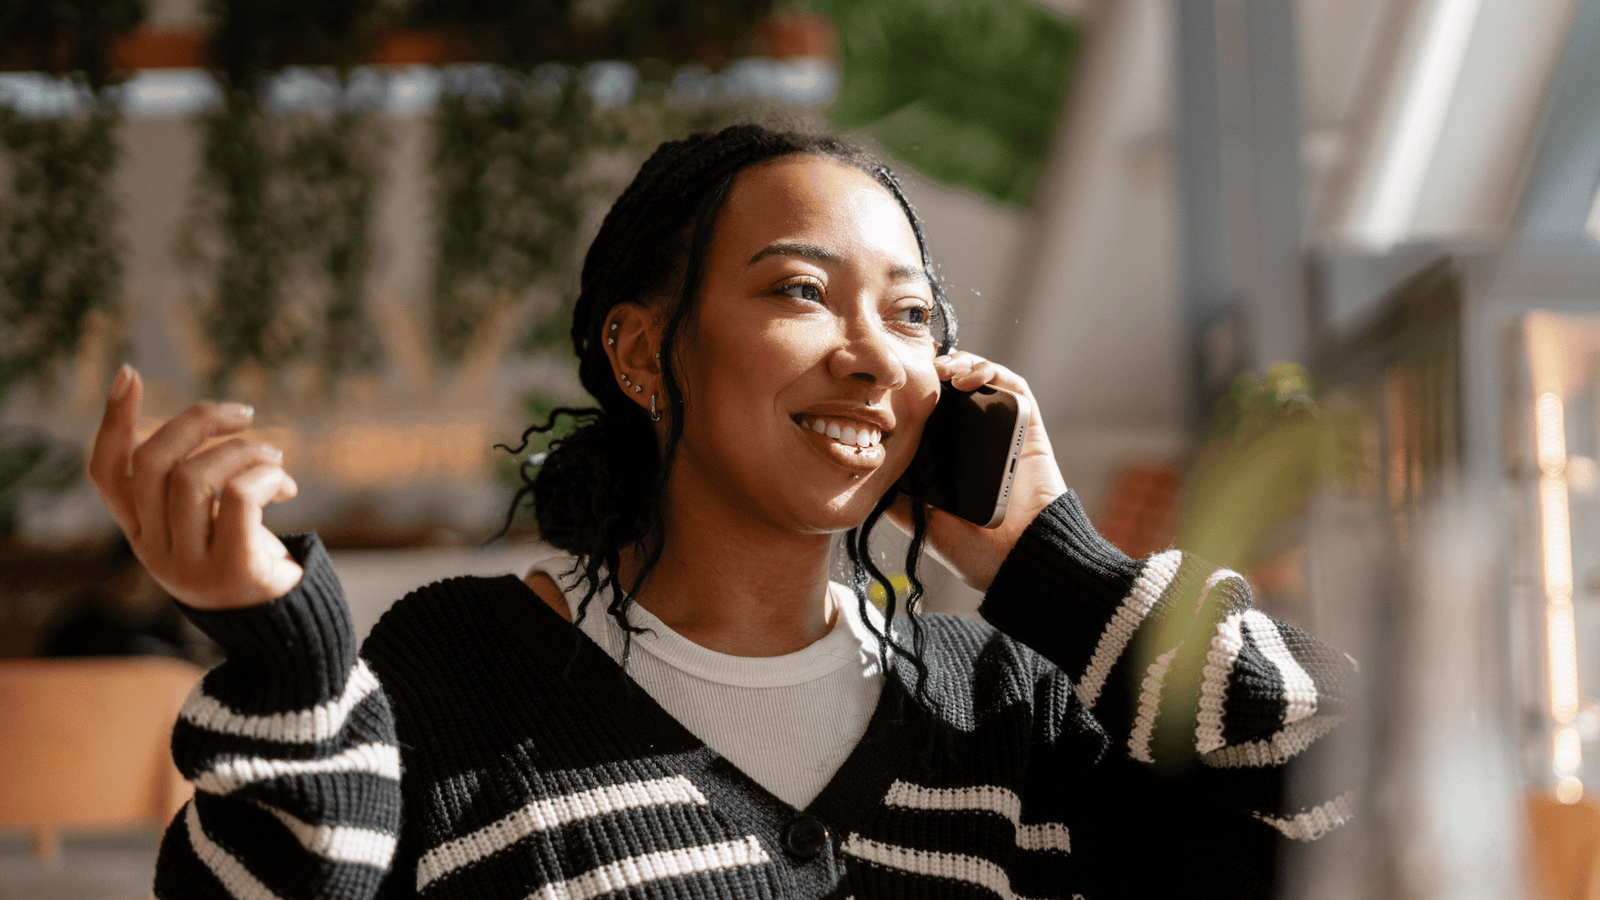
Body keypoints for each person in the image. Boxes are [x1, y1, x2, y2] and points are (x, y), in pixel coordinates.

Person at [89, 125, 1355, 900]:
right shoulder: (460, 673)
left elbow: (1352, 815)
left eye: (911, 317)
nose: (872, 357)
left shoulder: (1002, 708)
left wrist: (1052, 568)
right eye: (802, 291)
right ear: (642, 353)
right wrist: (290, 659)